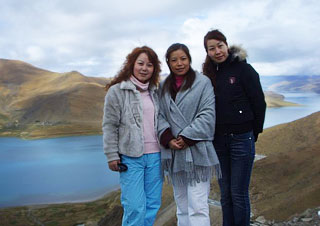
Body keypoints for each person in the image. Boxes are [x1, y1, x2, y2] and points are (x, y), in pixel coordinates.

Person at [202, 29, 266, 226]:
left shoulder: (244, 70)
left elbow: (259, 103)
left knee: (238, 193)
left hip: (241, 139)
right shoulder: (208, 74)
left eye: (220, 46)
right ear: (207, 52)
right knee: (225, 194)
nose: (217, 51)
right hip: (218, 141)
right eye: (211, 48)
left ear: (227, 45)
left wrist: (252, 132)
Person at [158, 43, 220, 226]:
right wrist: (168, 139)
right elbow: (159, 116)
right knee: (182, 206)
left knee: (198, 207)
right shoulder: (162, 87)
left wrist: (186, 137)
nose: (179, 63)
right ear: (168, 62)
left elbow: (208, 114)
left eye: (183, 59)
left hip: (197, 151)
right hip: (175, 153)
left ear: (190, 59)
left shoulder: (203, 83)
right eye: (174, 60)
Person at [102, 46, 163, 226]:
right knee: (135, 206)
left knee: (152, 204)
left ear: (154, 69)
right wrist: (111, 155)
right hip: (131, 157)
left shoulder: (156, 92)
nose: (144, 68)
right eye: (140, 63)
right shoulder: (117, 91)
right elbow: (110, 125)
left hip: (156, 156)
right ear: (132, 65)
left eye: (149, 65)